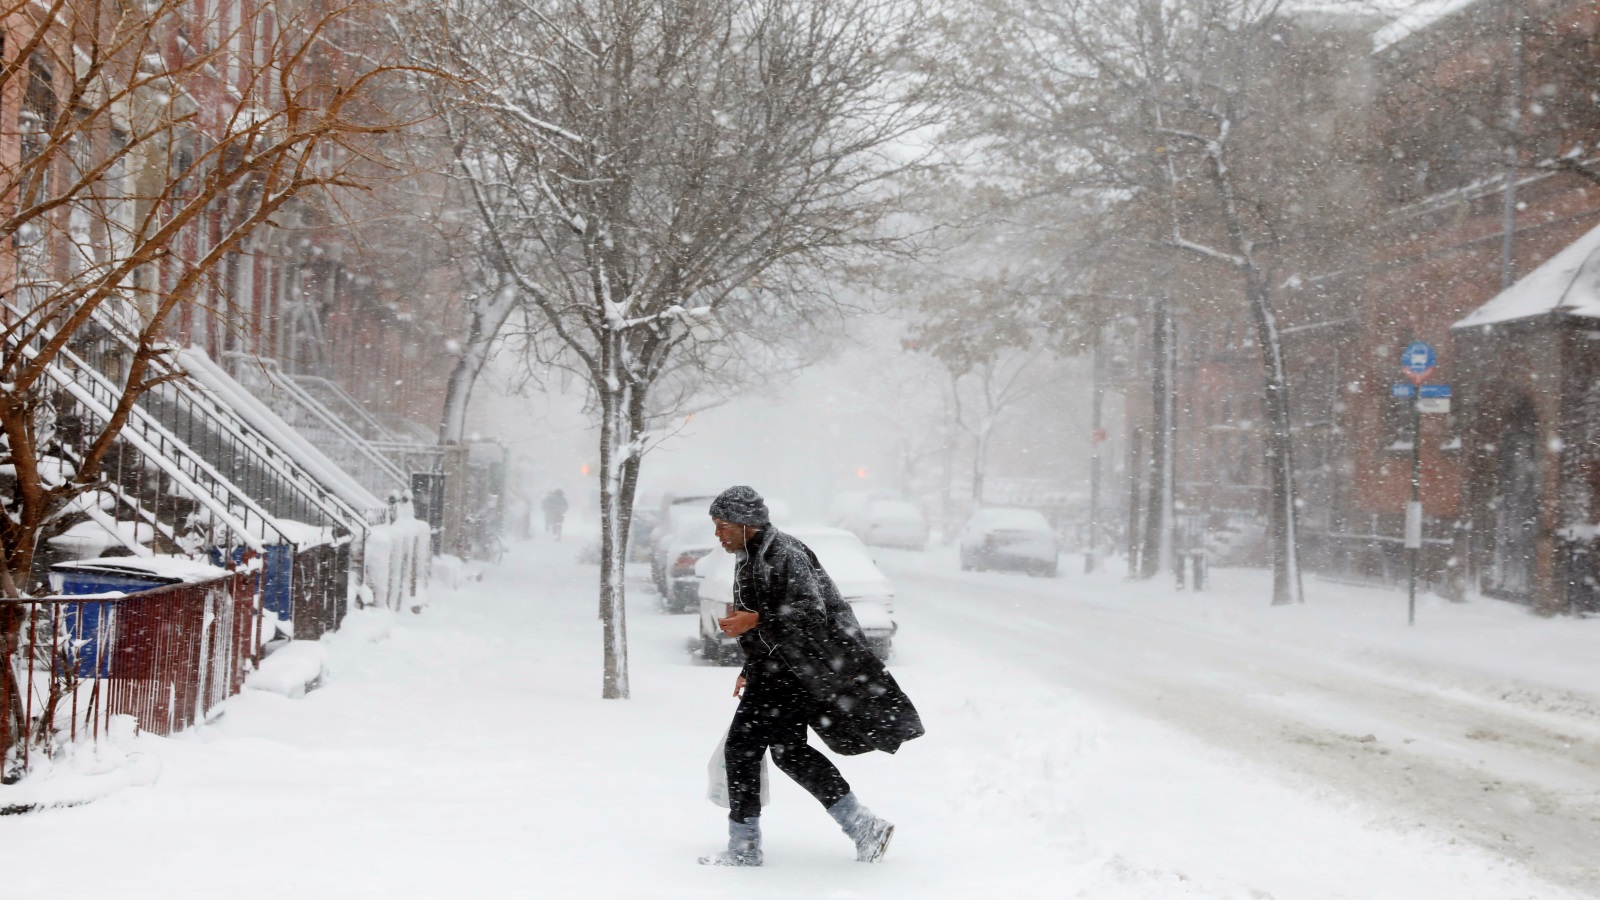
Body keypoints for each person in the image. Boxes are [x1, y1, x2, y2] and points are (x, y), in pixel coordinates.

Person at [699, 485, 924, 867]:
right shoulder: (751, 555)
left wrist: (757, 620)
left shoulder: (784, 552)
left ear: (744, 523)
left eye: (722, 526)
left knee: (743, 749)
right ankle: (863, 826)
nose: (718, 535)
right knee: (789, 753)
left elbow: (811, 614)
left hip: (793, 672)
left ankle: (744, 847)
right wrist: (749, 667)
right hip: (779, 669)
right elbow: (762, 622)